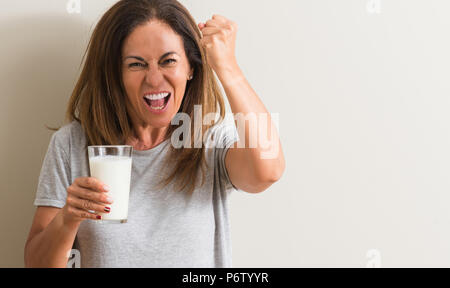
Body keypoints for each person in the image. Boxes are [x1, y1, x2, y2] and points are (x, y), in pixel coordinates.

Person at [24, 0, 285, 268]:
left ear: (191, 67)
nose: (154, 79)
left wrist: (228, 68)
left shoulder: (210, 139)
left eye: (168, 61)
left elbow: (268, 171)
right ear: (116, 74)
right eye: (136, 64)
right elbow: (36, 265)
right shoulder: (72, 144)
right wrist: (68, 219)